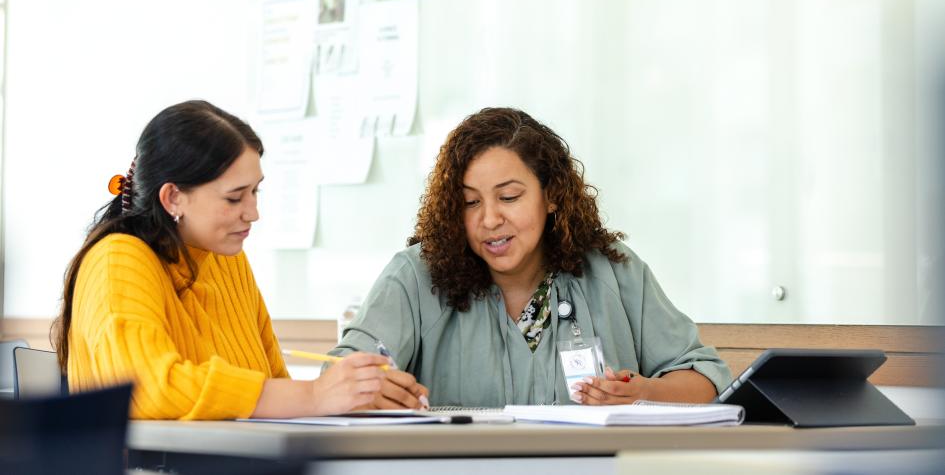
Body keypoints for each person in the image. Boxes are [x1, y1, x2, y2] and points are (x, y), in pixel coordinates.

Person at [331, 107, 732, 407]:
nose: (489, 219)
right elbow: (338, 374)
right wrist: (367, 390)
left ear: (552, 194)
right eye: (470, 202)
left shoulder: (613, 271)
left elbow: (705, 378)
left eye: (509, 197)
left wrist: (646, 393)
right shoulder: (415, 277)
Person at [53, 100, 388, 419]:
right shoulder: (118, 260)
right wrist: (314, 396)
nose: (253, 213)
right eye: (234, 197)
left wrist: (355, 395)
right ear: (173, 197)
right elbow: (142, 388)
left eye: (255, 191)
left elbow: (274, 383)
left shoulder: (228, 260)